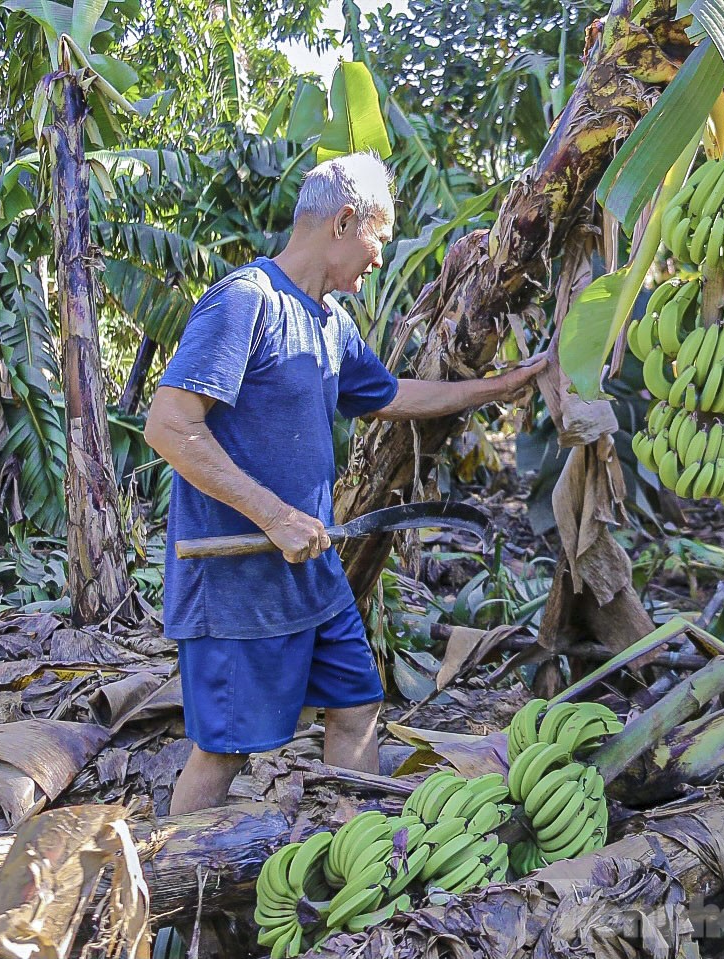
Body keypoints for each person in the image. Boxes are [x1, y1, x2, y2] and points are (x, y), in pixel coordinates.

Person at [145, 151, 545, 814]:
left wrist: (503, 384)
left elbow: (394, 394)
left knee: (357, 704)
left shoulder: (331, 323)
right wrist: (272, 514)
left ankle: (349, 853)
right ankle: (176, 898)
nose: (381, 260)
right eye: (379, 241)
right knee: (223, 748)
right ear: (345, 221)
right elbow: (169, 425)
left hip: (312, 574)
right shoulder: (248, 302)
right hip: (236, 580)